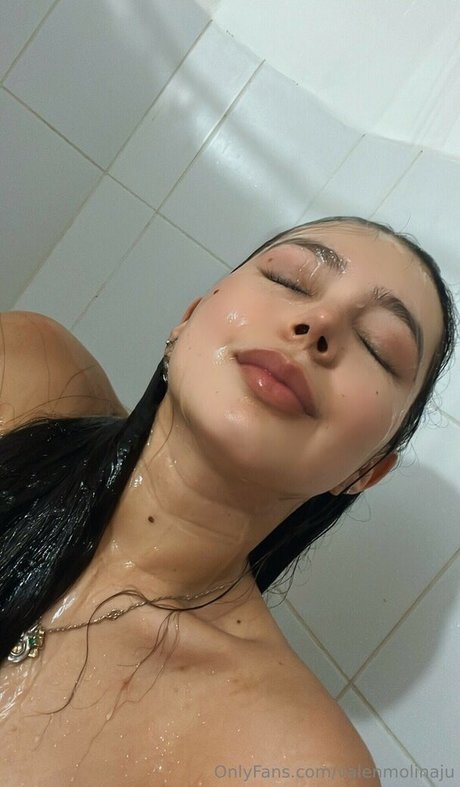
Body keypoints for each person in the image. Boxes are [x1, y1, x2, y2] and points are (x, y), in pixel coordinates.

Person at [0, 216, 456, 786]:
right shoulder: (20, 371)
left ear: (368, 470)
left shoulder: (293, 766)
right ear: (188, 318)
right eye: (290, 279)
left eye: (377, 346)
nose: (319, 323)